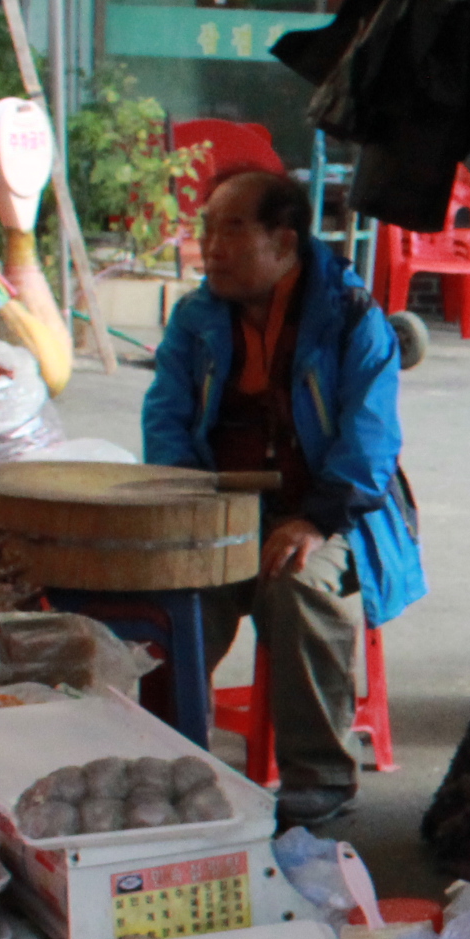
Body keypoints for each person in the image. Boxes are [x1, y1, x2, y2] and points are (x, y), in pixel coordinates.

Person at [141, 166, 423, 828]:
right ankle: (169, 770)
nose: (211, 246)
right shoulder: (195, 319)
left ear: (285, 240)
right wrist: (194, 508)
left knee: (296, 585)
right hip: (220, 511)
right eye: (207, 229)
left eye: (232, 230)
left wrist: (315, 521)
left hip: (333, 513)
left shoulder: (352, 319)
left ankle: (319, 781)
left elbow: (371, 441)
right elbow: (166, 422)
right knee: (173, 597)